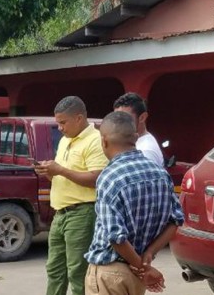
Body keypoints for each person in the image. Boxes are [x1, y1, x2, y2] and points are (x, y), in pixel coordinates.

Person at [84, 111, 184, 295]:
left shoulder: (109, 177)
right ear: (135, 138)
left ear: (104, 141)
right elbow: (176, 220)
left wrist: (143, 267)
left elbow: (116, 237)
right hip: (136, 276)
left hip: (109, 271)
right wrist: (148, 255)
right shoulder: (160, 174)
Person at [34, 96, 109, 295]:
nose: (59, 128)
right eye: (57, 123)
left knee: (77, 271)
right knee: (54, 269)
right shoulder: (66, 141)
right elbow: (65, 177)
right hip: (60, 213)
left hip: (82, 212)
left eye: (63, 123)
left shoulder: (95, 140)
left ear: (78, 118)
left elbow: (96, 179)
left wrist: (60, 171)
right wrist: (50, 173)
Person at [113, 92, 164, 167]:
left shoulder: (146, 151)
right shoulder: (137, 144)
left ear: (142, 117)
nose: (119, 123)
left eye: (125, 118)